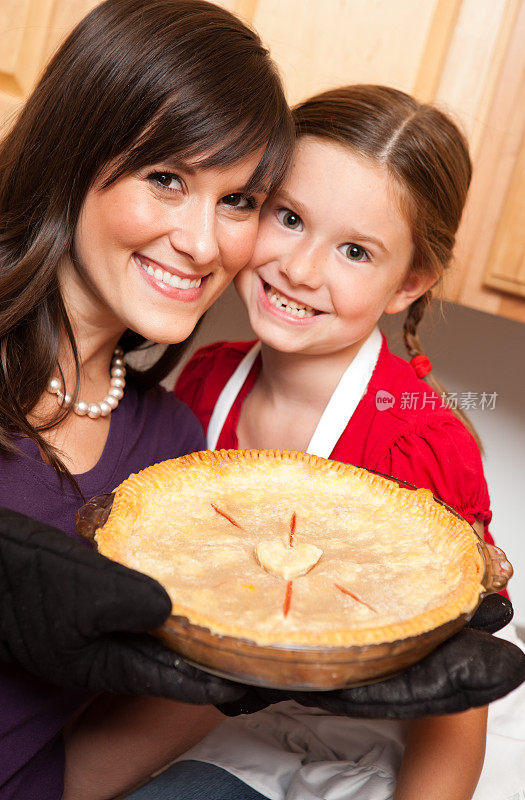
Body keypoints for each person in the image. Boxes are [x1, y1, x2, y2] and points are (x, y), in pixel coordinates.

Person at [162, 85, 525, 800]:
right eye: (289, 217)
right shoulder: (205, 381)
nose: (301, 270)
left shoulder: (416, 446)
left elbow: (456, 714)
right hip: (246, 715)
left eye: (355, 251)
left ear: (409, 283)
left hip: (400, 748)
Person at [0, 0, 294, 796]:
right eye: (166, 179)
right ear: (74, 153)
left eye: (237, 200)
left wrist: (251, 661)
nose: (203, 244)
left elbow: (67, 763)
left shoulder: (170, 451)